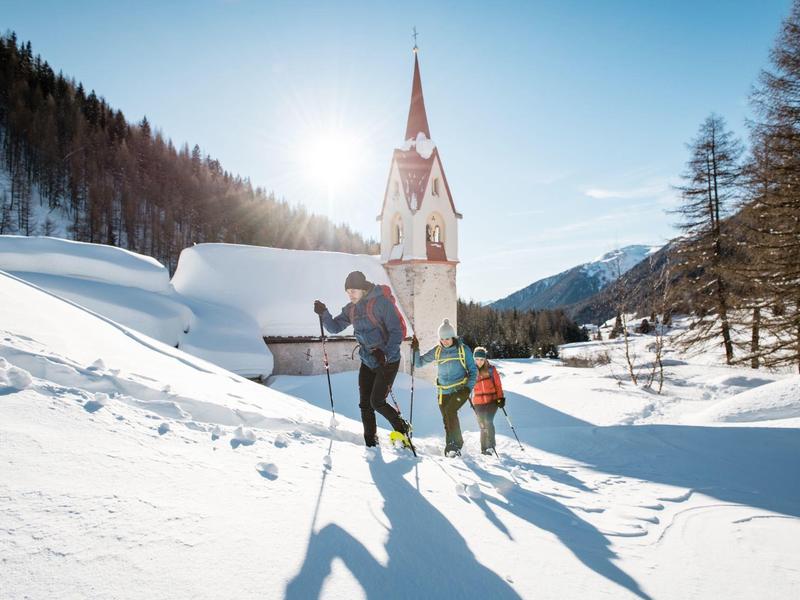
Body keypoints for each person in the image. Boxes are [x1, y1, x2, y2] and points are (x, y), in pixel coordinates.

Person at [314, 271, 409, 447]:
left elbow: (397, 332)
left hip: (388, 361)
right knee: (365, 404)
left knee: (377, 401)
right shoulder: (351, 309)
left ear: (363, 289)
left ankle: (402, 430)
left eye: (353, 290)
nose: (350, 294)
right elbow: (334, 327)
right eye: (348, 291)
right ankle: (371, 443)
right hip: (367, 360)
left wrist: (386, 353)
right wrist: (324, 313)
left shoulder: (381, 304)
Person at [412, 319, 477, 456]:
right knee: (447, 419)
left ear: (453, 337)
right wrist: (415, 349)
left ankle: (454, 446)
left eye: (448, 338)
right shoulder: (437, 351)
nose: (445, 341)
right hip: (443, 392)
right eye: (442, 339)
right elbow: (418, 364)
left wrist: (468, 388)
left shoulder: (463, 350)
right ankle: (455, 444)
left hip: (461, 389)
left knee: (450, 411)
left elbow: (473, 371)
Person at [471, 346, 505, 455]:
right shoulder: (471, 371)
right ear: (474, 359)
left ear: (485, 359)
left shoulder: (491, 370)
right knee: (482, 425)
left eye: (481, 359)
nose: (479, 362)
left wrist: (500, 398)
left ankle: (491, 446)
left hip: (492, 401)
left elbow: (498, 385)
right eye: (477, 359)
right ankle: (483, 448)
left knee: (488, 421)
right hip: (478, 403)